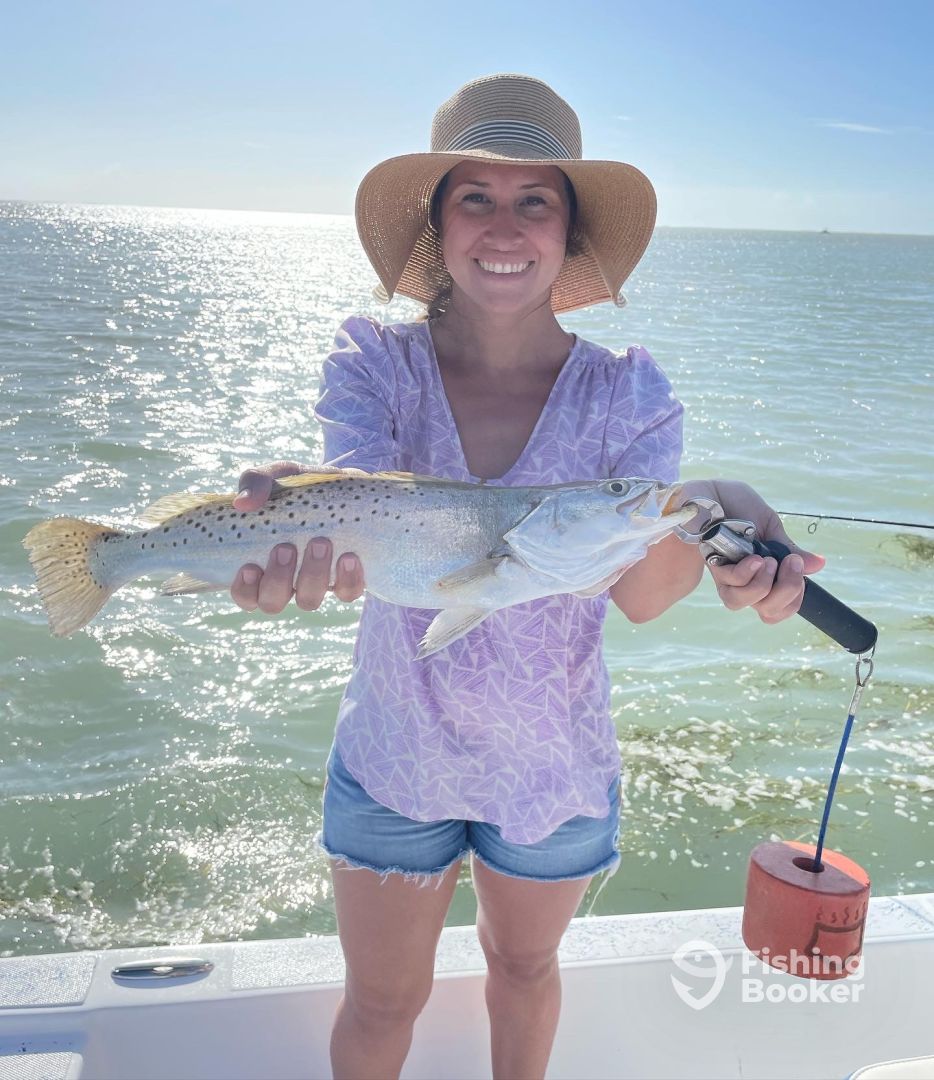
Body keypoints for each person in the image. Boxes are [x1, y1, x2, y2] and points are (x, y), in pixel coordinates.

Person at [229, 74, 824, 1080]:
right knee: (381, 1003)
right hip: (396, 749)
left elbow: (641, 594)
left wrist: (707, 508)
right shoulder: (374, 362)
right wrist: (290, 521)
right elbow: (354, 505)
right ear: (438, 222)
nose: (504, 226)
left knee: (523, 967)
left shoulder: (629, 391)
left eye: (534, 200)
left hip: (553, 763)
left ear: (568, 228)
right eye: (476, 196)